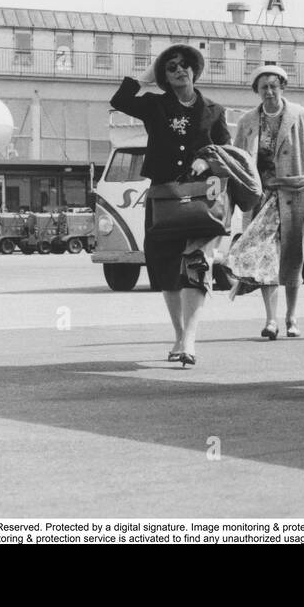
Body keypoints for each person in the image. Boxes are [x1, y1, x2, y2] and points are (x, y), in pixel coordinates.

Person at [109, 44, 232, 368]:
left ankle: (189, 339)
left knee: (196, 264)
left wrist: (207, 162)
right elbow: (120, 101)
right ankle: (179, 334)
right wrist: (147, 75)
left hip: (201, 199)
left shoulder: (214, 110)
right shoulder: (155, 105)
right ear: (164, 75)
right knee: (165, 269)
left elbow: (227, 153)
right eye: (171, 67)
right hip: (163, 197)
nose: (179, 70)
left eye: (184, 64)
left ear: (194, 69)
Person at [234, 65, 304, 339]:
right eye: (263, 87)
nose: (269, 92)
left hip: (296, 196)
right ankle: (271, 319)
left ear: (282, 87)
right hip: (262, 199)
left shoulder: (301, 116)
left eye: (273, 86)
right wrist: (237, 198)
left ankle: (292, 316)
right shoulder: (247, 121)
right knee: (267, 259)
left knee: (294, 257)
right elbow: (238, 162)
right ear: (257, 91)